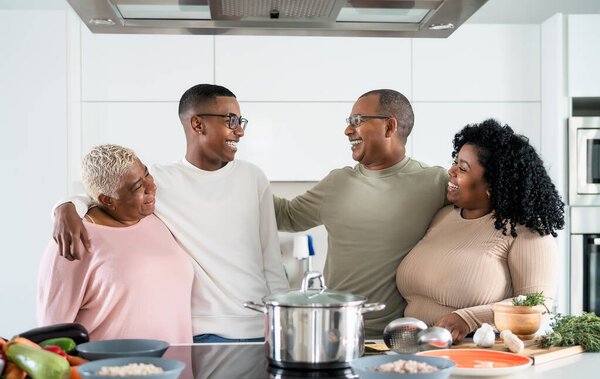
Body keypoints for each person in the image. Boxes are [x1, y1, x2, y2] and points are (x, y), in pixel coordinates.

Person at [52, 84, 290, 342]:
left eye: (240, 121)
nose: (240, 131)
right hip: (202, 335)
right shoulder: (158, 182)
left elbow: (271, 262)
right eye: (231, 120)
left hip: (262, 329)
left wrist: (287, 321)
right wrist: (65, 208)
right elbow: (102, 194)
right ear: (197, 124)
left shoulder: (253, 177)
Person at [274, 89, 448, 339]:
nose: (348, 130)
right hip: (334, 333)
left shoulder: (435, 183)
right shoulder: (337, 183)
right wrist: (240, 178)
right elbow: (287, 215)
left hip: (398, 338)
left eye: (358, 121)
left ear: (389, 127)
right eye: (349, 122)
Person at [396, 119, 564, 344]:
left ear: (492, 185)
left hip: (480, 353)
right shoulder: (443, 217)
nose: (451, 171)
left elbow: (539, 306)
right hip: (415, 348)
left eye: (462, 168)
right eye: (455, 163)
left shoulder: (526, 232)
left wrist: (468, 318)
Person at [38, 144, 194, 343]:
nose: (152, 187)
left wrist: (66, 205)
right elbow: (52, 333)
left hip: (176, 369)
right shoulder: (72, 239)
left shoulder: (158, 217)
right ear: (108, 200)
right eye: (138, 186)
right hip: (106, 369)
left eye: (147, 174)